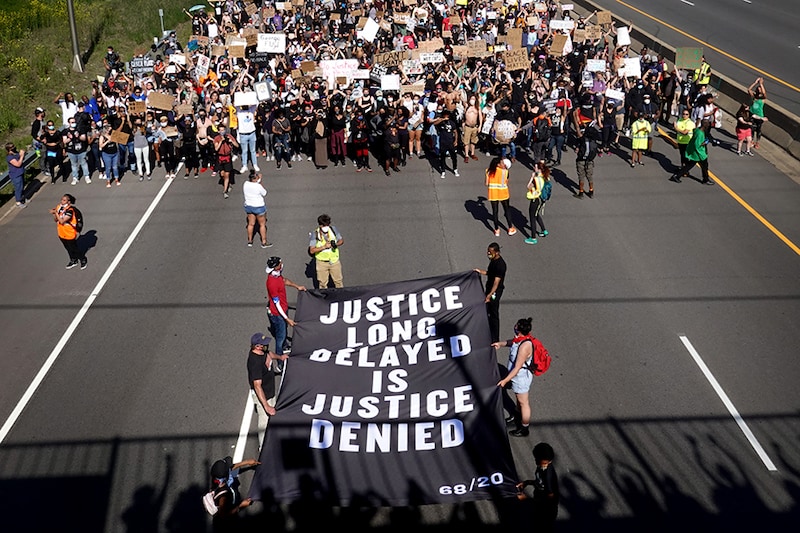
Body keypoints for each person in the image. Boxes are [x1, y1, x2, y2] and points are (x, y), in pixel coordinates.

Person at [493, 317, 535, 437]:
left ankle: (524, 428)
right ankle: (516, 415)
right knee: (519, 399)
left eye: (516, 325)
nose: (514, 327)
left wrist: (504, 380)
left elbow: (517, 368)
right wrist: (500, 344)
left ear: (519, 329)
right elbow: (512, 342)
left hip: (520, 378)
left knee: (523, 402)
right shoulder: (521, 339)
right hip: (516, 377)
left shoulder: (524, 346)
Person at [265, 256, 306, 373]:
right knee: (280, 336)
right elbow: (277, 304)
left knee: (282, 332)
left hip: (282, 310)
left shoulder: (277, 275)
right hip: (277, 314)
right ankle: (280, 363)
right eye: (280, 263)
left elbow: (284, 281)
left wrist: (297, 286)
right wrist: (287, 318)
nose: (282, 264)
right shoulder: (272, 283)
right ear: (275, 266)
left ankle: (285, 346)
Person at [208, 455, 259, 531]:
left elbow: (231, 468)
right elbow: (224, 515)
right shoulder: (223, 496)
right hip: (226, 522)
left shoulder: (218, 480)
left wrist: (247, 462)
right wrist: (241, 505)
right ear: (226, 476)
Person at [517, 442, 560, 533]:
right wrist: (526, 482)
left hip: (545, 510)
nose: (535, 461)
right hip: (540, 499)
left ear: (545, 460)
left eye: (537, 459)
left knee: (541, 525)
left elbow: (548, 502)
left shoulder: (548, 475)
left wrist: (526, 500)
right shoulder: (542, 467)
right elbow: (540, 482)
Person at [473, 242, 506, 343]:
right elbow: (490, 273)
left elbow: (496, 282)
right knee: (486, 310)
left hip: (495, 291)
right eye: (488, 251)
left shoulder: (501, 265)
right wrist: (480, 271)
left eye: (490, 252)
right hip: (489, 288)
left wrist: (489, 295)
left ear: (496, 252)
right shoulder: (493, 261)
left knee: (493, 313)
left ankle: (495, 338)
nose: (488, 253)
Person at [670, 119, 714, 185]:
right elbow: (697, 145)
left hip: (696, 154)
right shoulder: (700, 134)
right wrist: (702, 147)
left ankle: (677, 176)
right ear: (705, 125)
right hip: (699, 154)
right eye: (707, 124)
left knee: (689, 166)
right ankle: (705, 180)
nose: (708, 125)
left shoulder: (697, 130)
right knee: (704, 167)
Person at [49, 194, 87, 269]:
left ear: (69, 202)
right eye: (62, 200)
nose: (62, 202)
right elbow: (56, 220)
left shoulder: (70, 210)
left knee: (74, 248)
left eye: (64, 200)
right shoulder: (59, 207)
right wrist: (55, 214)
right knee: (67, 248)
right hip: (61, 232)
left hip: (69, 232)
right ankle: (73, 260)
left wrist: (56, 213)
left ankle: (82, 259)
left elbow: (62, 221)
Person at [308, 213, 344, 289]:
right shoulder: (315, 234)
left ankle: (340, 298)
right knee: (323, 284)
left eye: (327, 225)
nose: (326, 227)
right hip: (322, 263)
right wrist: (324, 247)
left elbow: (341, 240)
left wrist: (336, 244)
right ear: (320, 225)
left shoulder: (333, 229)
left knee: (338, 282)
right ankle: (324, 299)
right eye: (324, 225)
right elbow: (312, 250)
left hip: (334, 261)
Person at [485, 157, 517, 237]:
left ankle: (496, 230)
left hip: (493, 193)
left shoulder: (488, 171)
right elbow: (506, 181)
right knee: (507, 210)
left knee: (495, 212)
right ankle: (510, 228)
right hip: (503, 193)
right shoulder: (505, 172)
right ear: (498, 164)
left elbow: (486, 183)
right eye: (502, 163)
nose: (504, 164)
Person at [243, 171, 272, 248]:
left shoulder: (245, 184)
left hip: (249, 206)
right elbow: (264, 193)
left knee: (250, 223)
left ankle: (250, 241)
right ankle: (264, 241)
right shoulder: (258, 186)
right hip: (259, 206)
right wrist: (260, 181)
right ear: (256, 178)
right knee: (262, 224)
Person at [525, 161, 550, 245]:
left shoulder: (536, 179)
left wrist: (532, 177)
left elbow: (528, 186)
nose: (533, 168)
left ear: (538, 169)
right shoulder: (545, 177)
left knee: (532, 217)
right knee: (536, 214)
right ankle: (543, 230)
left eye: (535, 167)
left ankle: (533, 238)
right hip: (541, 199)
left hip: (535, 199)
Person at [62, 116, 90, 185]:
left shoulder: (80, 129)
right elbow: (64, 141)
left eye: (74, 122)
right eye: (72, 122)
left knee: (83, 163)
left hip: (81, 150)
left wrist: (78, 137)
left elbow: (84, 138)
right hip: (71, 151)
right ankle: (75, 177)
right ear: (69, 123)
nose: (73, 123)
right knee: (74, 165)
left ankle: (87, 176)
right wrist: (70, 138)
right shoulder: (65, 131)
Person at [213, 123, 239, 198]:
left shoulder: (229, 136)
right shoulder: (217, 138)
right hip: (220, 158)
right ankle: (226, 183)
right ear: (218, 131)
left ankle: (225, 190)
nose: (222, 132)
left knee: (227, 174)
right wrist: (221, 141)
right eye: (220, 130)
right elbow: (216, 149)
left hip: (227, 157)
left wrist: (231, 141)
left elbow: (237, 145)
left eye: (223, 130)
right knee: (222, 174)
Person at [573, 125, 599, 199]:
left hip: (581, 160)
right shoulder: (593, 141)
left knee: (581, 176)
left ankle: (581, 192)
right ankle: (591, 191)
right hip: (590, 161)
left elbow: (577, 148)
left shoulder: (582, 139)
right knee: (589, 176)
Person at [748, 77, 768, 149]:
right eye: (758, 88)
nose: (759, 89)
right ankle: (752, 141)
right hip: (752, 114)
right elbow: (749, 89)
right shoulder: (754, 96)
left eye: (760, 89)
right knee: (752, 128)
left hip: (759, 115)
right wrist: (755, 83)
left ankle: (757, 142)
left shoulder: (762, 99)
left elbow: (764, 93)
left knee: (758, 129)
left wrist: (761, 84)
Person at [5, 143, 27, 208]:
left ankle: (22, 198)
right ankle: (18, 202)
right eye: (12, 147)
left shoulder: (15, 153)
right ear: (9, 149)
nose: (14, 147)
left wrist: (22, 154)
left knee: (22, 186)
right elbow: (18, 164)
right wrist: (22, 156)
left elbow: (21, 159)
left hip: (20, 172)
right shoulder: (9, 157)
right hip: (15, 175)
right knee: (18, 188)